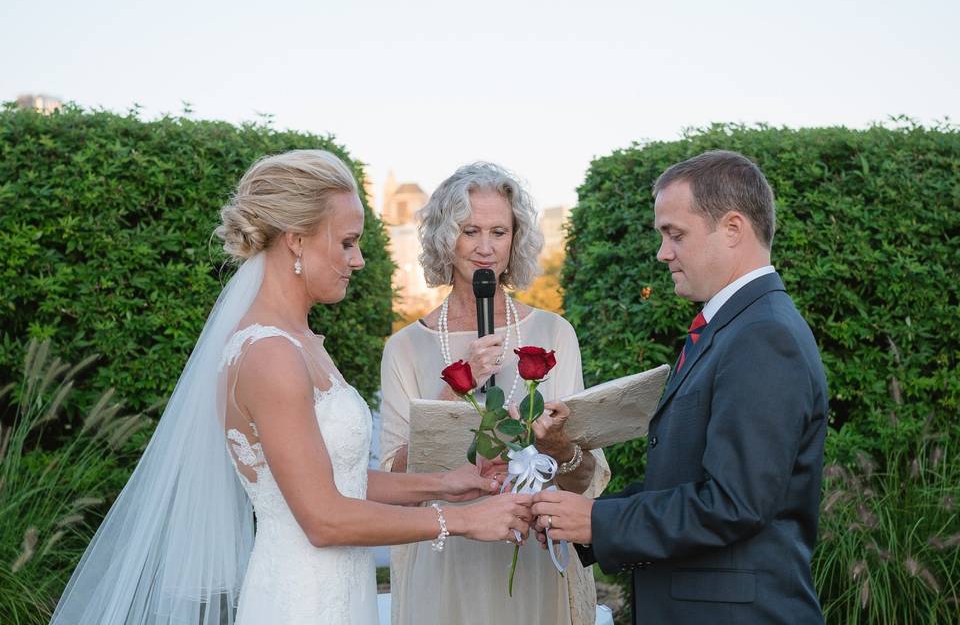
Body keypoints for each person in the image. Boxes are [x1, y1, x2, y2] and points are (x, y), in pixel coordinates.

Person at [51, 150, 534, 625]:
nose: (359, 260)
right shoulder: (270, 354)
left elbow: (330, 482)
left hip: (340, 591)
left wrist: (448, 484)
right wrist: (465, 520)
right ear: (297, 240)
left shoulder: (300, 342)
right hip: (301, 600)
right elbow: (323, 519)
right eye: (347, 242)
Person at [531, 150, 829, 624]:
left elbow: (735, 503)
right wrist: (578, 515)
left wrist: (597, 521)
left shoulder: (763, 336)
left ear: (733, 229)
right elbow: (686, 483)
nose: (662, 252)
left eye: (676, 235)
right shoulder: (736, 327)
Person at [379, 162, 611, 625]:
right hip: (446, 559)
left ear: (516, 239)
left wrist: (557, 445)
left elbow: (584, 476)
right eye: (470, 231)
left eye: (499, 232)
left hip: (531, 556)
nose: (485, 248)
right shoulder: (404, 348)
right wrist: (453, 386)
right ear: (446, 238)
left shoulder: (553, 332)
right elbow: (391, 480)